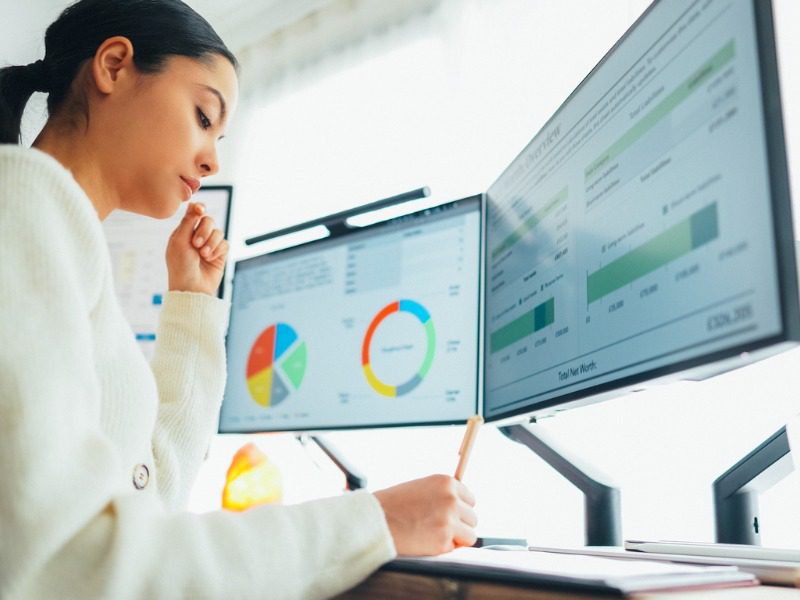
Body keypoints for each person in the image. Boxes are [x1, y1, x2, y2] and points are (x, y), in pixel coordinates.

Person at [0, 1, 478, 598]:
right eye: (203, 115)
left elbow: (149, 500)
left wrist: (192, 305)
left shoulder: (58, 237)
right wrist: (375, 521)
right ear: (115, 66)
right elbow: (69, 562)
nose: (213, 159)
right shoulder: (21, 200)